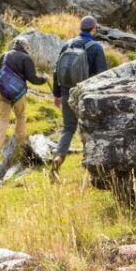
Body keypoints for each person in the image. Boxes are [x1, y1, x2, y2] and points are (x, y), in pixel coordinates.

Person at [51, 15, 108, 178]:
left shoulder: (67, 44)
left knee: (68, 128)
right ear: (93, 29)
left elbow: (56, 71)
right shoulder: (95, 47)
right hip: (86, 94)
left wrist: (57, 94)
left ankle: (58, 157)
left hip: (66, 91)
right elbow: (102, 75)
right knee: (91, 129)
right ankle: (90, 165)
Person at [0, 36, 48, 148]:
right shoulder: (26, 58)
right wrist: (44, 79)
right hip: (18, 94)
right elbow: (32, 79)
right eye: (28, 47)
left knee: (3, 118)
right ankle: (20, 142)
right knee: (21, 116)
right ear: (25, 46)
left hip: (2, 91)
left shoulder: (4, 55)